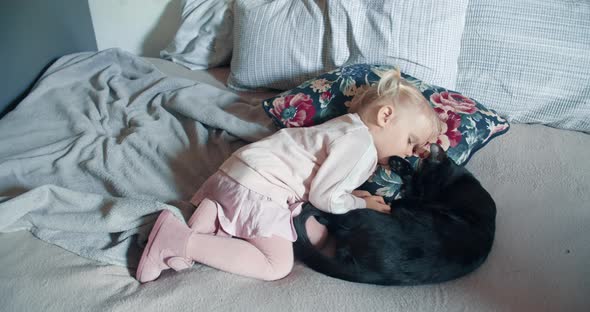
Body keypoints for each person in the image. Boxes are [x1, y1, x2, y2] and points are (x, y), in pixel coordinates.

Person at [136, 68, 442, 283]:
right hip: (259, 188)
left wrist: (352, 196)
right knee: (275, 264)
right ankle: (179, 241)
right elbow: (323, 197)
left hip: (235, 172)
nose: (411, 152)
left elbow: (324, 180)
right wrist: (363, 205)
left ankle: (212, 214)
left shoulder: (344, 126)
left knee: (243, 222)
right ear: (385, 116)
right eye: (411, 141)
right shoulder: (362, 148)